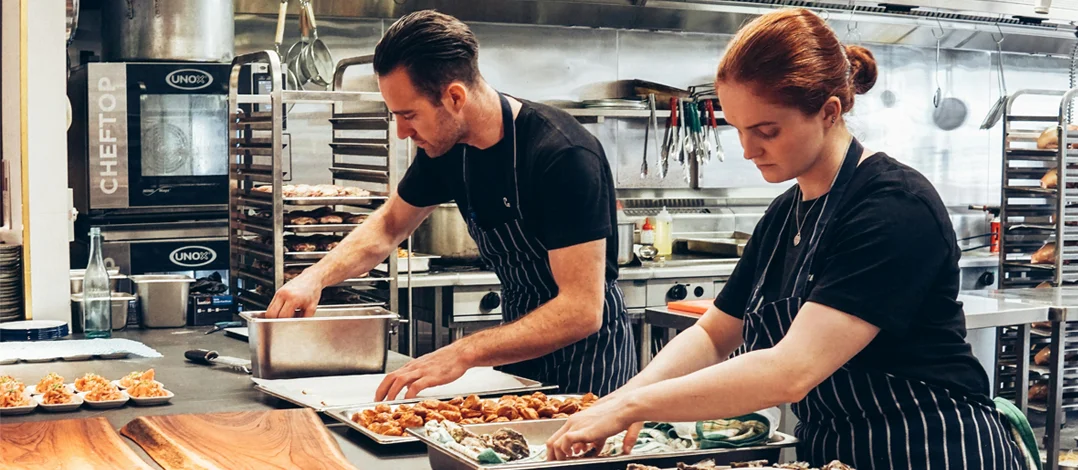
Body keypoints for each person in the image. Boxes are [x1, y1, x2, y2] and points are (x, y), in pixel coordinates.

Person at [546, 8, 1026, 469]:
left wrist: (634, 406)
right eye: (737, 129)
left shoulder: (893, 207)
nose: (748, 149)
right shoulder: (784, 214)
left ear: (829, 111)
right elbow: (714, 334)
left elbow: (790, 370)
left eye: (766, 131)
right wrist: (624, 399)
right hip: (837, 453)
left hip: (931, 450)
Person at [263, 10, 636, 398]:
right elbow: (390, 225)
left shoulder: (561, 154)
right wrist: (314, 278)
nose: (403, 132)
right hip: (517, 352)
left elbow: (580, 310)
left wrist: (462, 352)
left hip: (589, 366)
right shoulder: (447, 150)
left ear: (455, 97)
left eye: (409, 115)